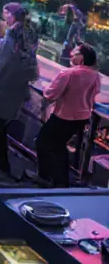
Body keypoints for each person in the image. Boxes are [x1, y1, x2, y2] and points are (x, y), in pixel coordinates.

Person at [0, 3, 40, 179]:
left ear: (12, 16)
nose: (4, 17)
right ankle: (3, 166)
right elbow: (32, 72)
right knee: (0, 131)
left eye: (6, 14)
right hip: (16, 94)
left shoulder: (10, 41)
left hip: (1, 94)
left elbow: (1, 68)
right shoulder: (29, 39)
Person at [34, 44, 99, 187]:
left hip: (63, 116)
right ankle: (60, 182)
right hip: (81, 118)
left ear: (82, 57)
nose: (71, 56)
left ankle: (47, 178)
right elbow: (94, 94)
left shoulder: (68, 74)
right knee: (59, 146)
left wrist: (45, 87)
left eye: (74, 54)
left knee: (42, 142)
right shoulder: (95, 76)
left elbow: (51, 94)